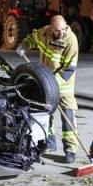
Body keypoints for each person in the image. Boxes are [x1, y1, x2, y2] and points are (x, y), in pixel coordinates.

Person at [16, 15, 79, 163]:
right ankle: (50, 143)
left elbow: (69, 68)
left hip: (63, 85)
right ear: (51, 28)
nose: (61, 33)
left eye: (63, 29)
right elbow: (32, 38)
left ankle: (71, 150)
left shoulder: (71, 41)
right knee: (47, 114)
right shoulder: (44, 33)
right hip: (46, 83)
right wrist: (23, 46)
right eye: (57, 31)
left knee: (68, 116)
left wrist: (52, 84)